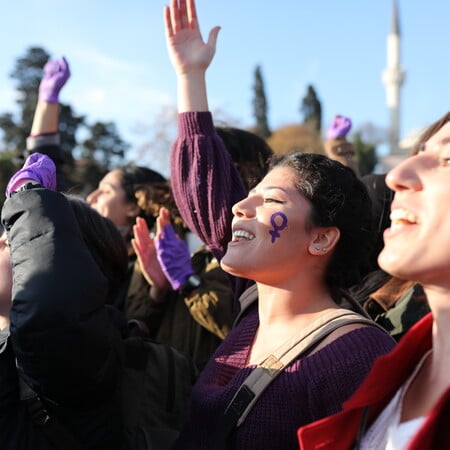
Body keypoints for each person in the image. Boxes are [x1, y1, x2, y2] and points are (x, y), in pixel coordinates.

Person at [163, 1, 396, 448]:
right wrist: (190, 78)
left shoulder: (356, 356)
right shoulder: (250, 305)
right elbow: (206, 190)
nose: (238, 208)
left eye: (270, 200)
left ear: (323, 237)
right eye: (247, 196)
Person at [297, 111, 450, 449]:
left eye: (448, 159)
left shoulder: (362, 349)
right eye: (420, 153)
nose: (397, 175)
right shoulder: (393, 379)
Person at [0, 153, 128, 450]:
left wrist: (28, 195)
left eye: (12, 241)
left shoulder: (77, 357)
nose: (0, 243)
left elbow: (50, 307)